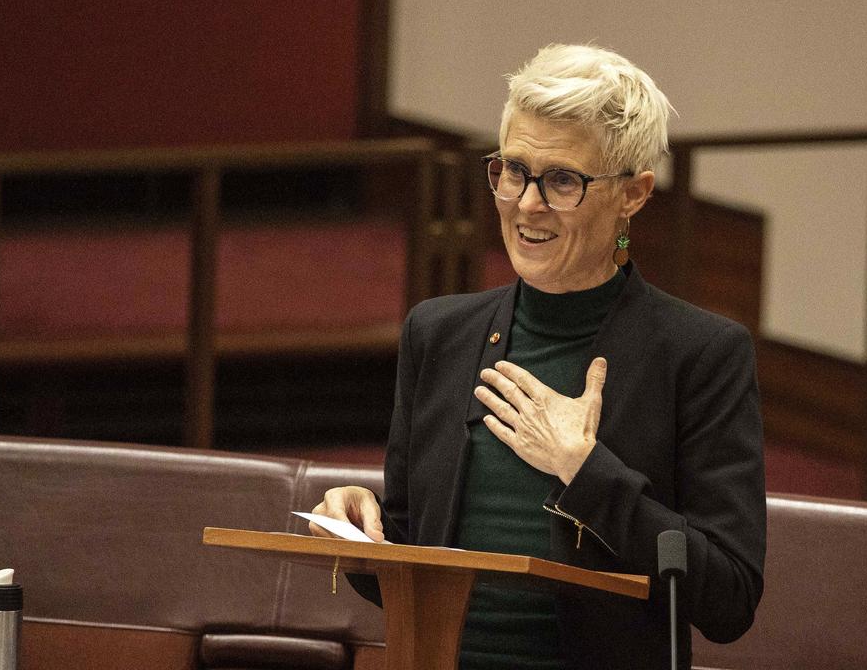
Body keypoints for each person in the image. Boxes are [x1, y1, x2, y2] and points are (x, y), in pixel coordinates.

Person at [310, 43, 765, 670]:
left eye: (562, 180)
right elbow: (415, 567)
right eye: (513, 169)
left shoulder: (700, 355)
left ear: (632, 194)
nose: (526, 203)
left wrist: (586, 471)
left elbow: (730, 599)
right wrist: (366, 539)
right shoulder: (438, 335)